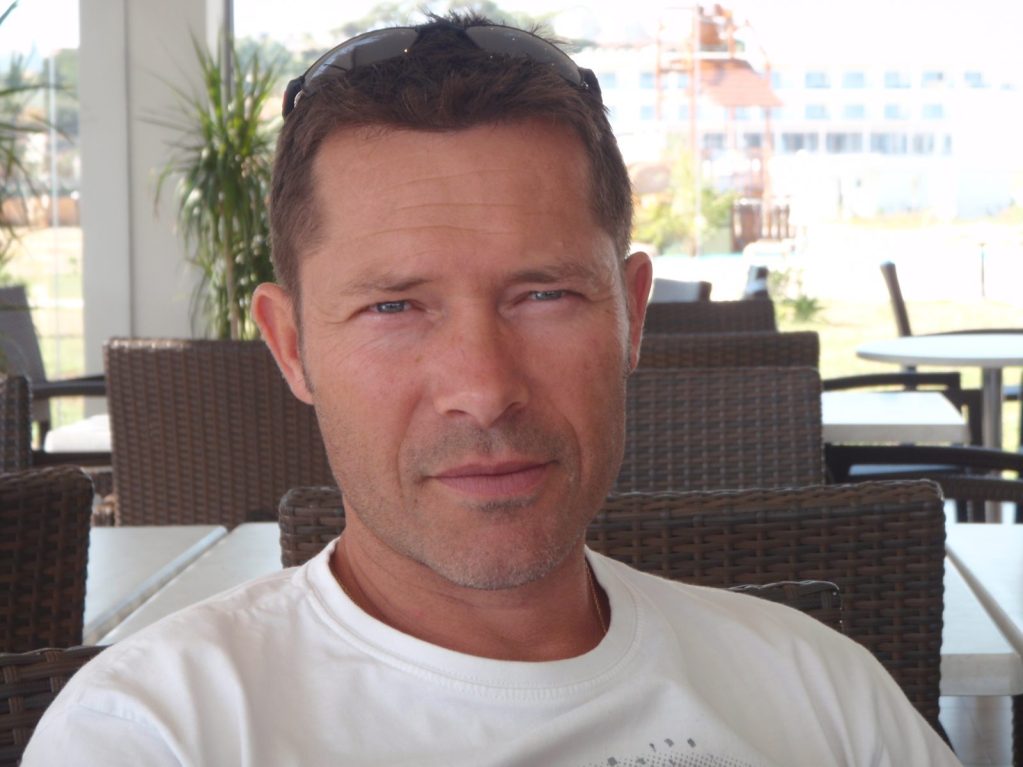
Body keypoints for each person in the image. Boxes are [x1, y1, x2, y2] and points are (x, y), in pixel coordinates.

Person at [25, 14, 959, 766]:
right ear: (291, 345)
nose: (483, 388)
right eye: (394, 306)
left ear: (631, 315)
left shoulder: (820, 692)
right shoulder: (154, 732)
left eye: (543, 294)